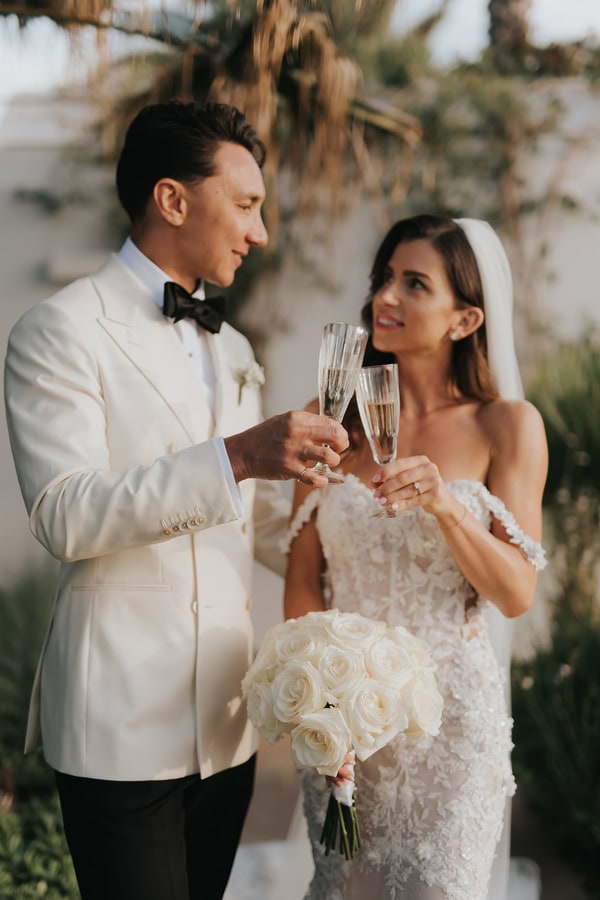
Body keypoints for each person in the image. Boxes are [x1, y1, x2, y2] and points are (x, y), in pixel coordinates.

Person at [3, 100, 348, 900]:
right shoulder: (60, 330)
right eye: (248, 204)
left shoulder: (233, 346)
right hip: (119, 726)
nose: (260, 232)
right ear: (173, 199)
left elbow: (245, 520)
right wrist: (238, 454)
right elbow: (65, 512)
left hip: (228, 726)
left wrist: (348, 534)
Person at [282, 214, 548, 900]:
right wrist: (321, 698)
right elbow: (303, 582)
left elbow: (517, 594)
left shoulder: (507, 425)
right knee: (349, 887)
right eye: (384, 278)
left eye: (414, 283)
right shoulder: (331, 417)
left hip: (452, 727)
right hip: (344, 722)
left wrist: (447, 505)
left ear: (465, 320)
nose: (385, 298)